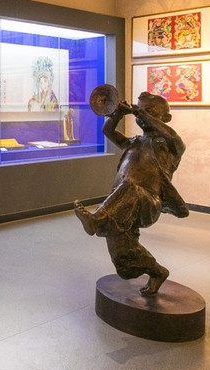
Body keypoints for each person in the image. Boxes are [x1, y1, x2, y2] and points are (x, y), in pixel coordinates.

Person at [74, 91, 187, 296]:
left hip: (148, 202)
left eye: (150, 111)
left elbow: (171, 136)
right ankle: (158, 272)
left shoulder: (169, 146)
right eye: (140, 109)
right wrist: (117, 113)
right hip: (123, 204)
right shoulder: (134, 142)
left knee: (129, 186)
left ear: (166, 118)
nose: (142, 115)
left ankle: (97, 218)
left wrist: (138, 112)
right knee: (123, 256)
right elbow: (108, 130)